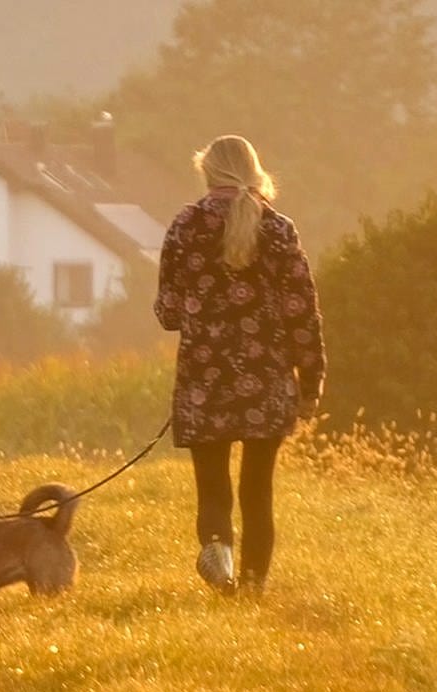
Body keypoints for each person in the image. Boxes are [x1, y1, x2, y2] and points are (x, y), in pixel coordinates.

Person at [154, 134, 326, 595]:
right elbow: (302, 313)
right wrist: (310, 383)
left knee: (213, 491)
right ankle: (251, 588)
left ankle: (221, 567)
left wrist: (200, 308)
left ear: (207, 173)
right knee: (257, 493)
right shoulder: (278, 230)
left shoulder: (185, 226)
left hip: (203, 383)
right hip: (266, 383)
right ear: (254, 173)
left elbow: (169, 313)